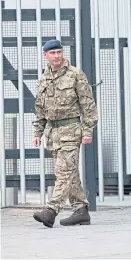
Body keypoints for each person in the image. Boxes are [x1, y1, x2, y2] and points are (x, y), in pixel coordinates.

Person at [32, 39, 98, 228]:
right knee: (70, 173)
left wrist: (87, 130)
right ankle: (81, 211)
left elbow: (88, 106)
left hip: (71, 130)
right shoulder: (45, 77)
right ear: (46, 55)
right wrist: (38, 131)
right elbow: (40, 108)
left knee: (64, 172)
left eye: (59, 52)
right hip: (54, 133)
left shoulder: (75, 75)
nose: (57, 56)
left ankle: (51, 210)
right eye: (52, 53)